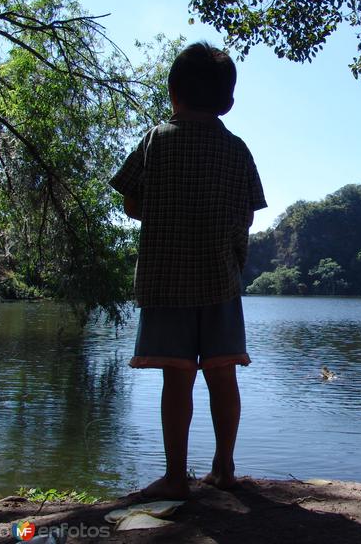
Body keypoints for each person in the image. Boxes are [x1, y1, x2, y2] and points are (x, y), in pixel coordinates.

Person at [109, 42, 266, 499]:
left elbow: (131, 201)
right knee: (223, 374)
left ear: (172, 91)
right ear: (228, 103)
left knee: (176, 378)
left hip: (166, 279)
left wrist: (169, 210)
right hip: (220, 279)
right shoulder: (237, 149)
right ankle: (224, 468)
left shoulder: (156, 139)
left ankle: (176, 475)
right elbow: (248, 213)